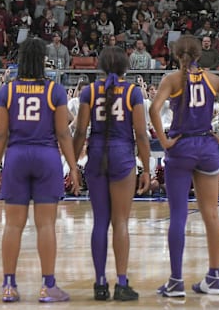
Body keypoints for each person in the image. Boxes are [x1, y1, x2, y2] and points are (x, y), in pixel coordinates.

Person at [150, 35, 219, 298]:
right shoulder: (212, 79)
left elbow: (153, 109)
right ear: (198, 56)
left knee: (179, 215)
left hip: (181, 147)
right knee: (211, 214)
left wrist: (163, 140)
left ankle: (175, 282)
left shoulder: (171, 79)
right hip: (207, 147)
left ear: (175, 55)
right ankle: (214, 277)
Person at [0, 38, 80, 303]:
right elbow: (63, 132)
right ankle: (48, 286)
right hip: (46, 156)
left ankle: (9, 286)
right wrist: (73, 167)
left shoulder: (7, 90)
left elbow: (1, 133)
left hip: (16, 156)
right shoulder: (55, 90)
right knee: (46, 224)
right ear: (42, 60)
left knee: (13, 226)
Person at [72, 46, 151, 301]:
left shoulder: (89, 91)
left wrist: (73, 164)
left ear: (102, 66)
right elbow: (140, 134)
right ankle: (122, 283)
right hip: (122, 155)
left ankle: (100, 283)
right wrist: (147, 168)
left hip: (95, 154)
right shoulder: (133, 92)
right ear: (125, 67)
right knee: (121, 223)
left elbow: (80, 132)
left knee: (100, 222)